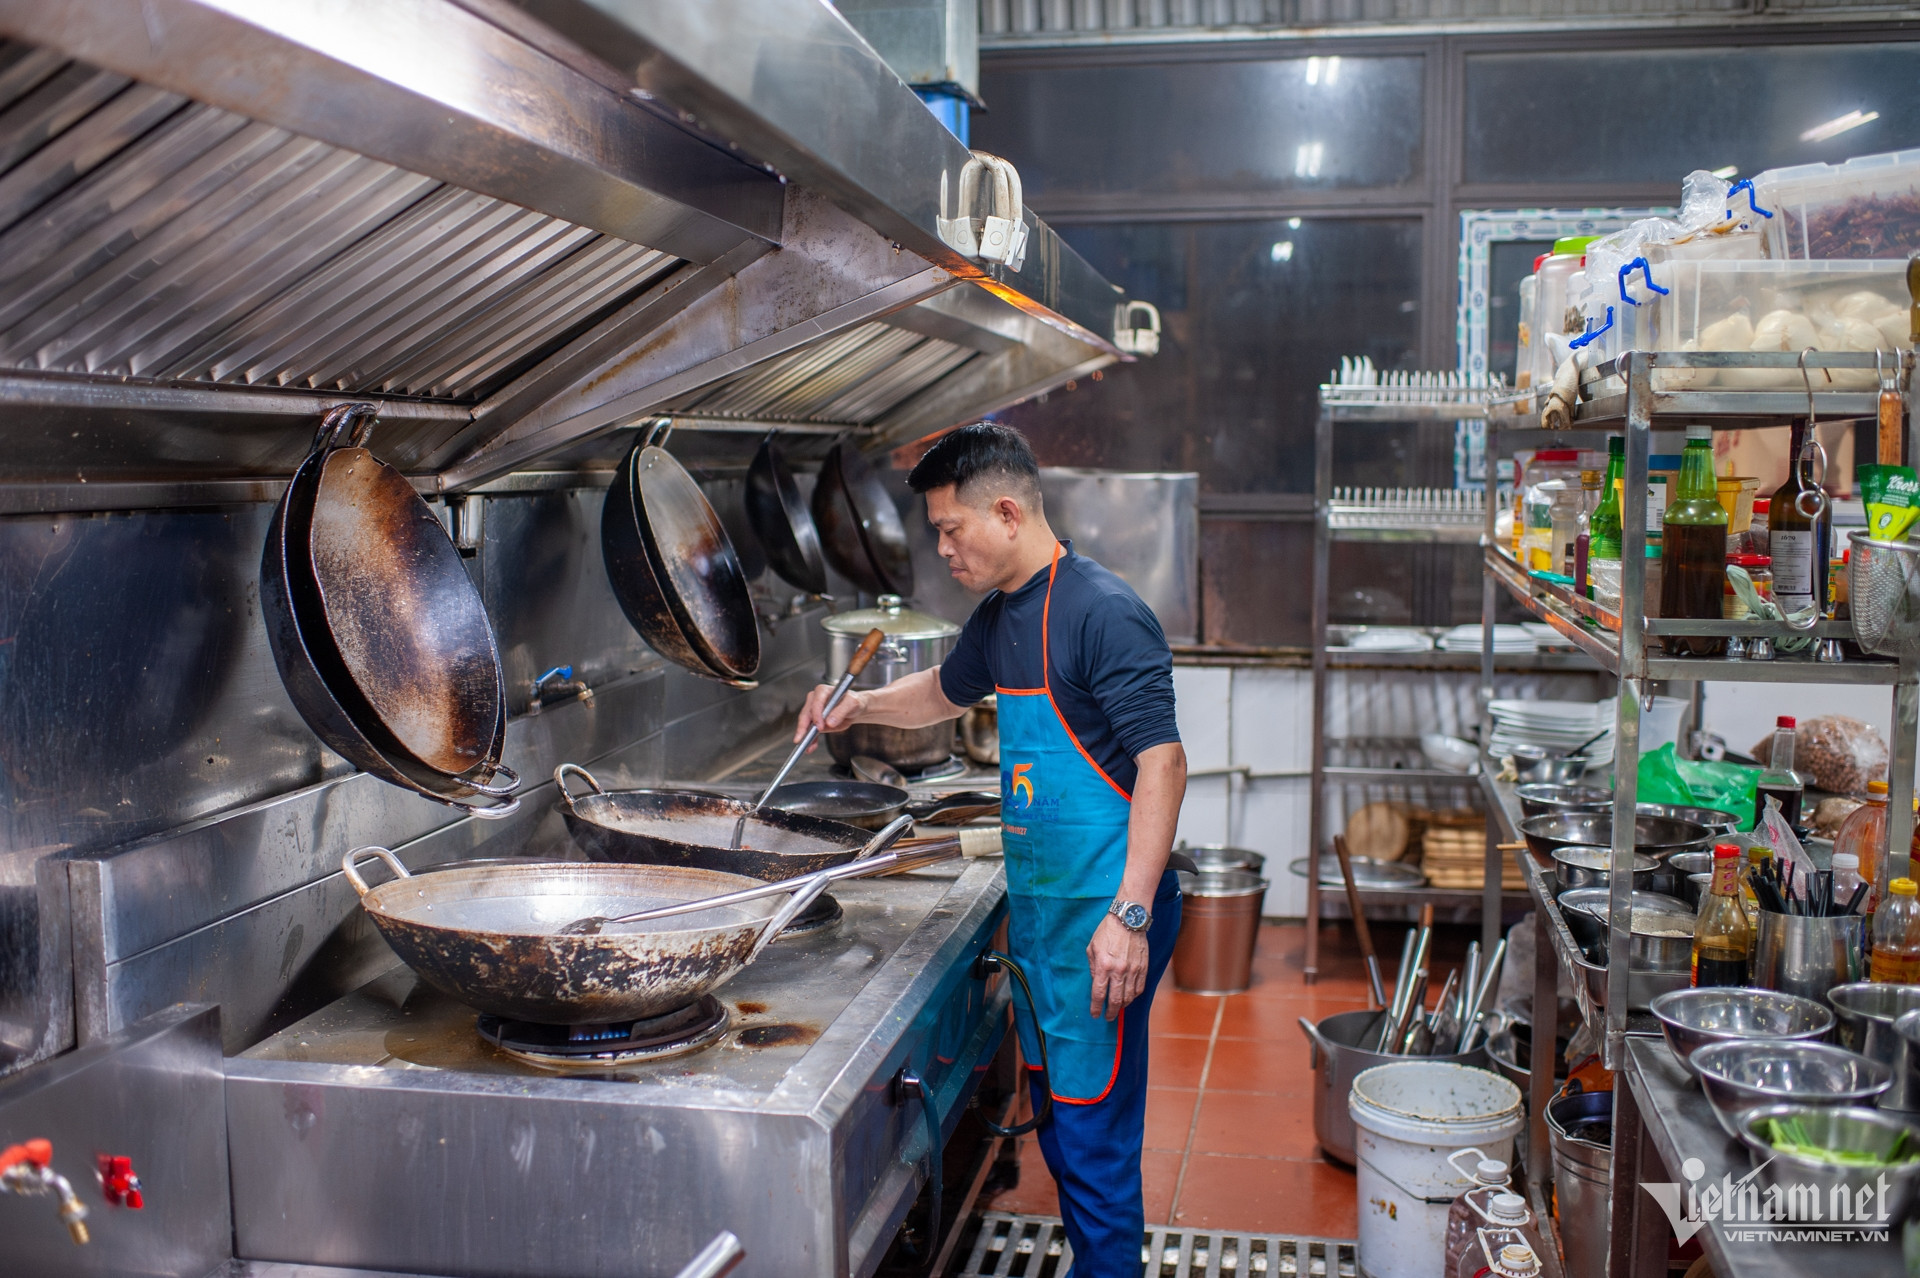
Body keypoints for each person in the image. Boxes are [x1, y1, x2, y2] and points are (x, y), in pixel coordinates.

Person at [793, 422, 1187, 1276]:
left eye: (949, 528)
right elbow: (939, 692)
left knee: (1094, 1142)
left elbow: (1164, 764)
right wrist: (857, 708)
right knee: (1065, 1122)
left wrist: (1129, 915)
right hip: (1051, 920)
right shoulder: (1002, 616)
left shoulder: (1104, 612)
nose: (942, 549)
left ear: (1006, 512)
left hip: (1102, 922)